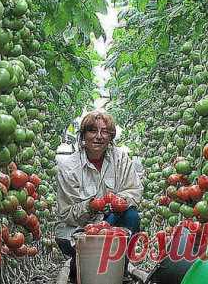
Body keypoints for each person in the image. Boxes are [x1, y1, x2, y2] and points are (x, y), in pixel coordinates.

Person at [55, 111, 143, 283]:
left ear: (111, 137)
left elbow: (134, 190)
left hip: (111, 221)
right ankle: (80, 266)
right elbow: (66, 214)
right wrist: (90, 206)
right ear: (83, 136)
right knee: (80, 272)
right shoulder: (68, 167)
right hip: (78, 230)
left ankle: (120, 269)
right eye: (93, 131)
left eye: (105, 132)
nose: (99, 137)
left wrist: (118, 201)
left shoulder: (120, 159)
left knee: (132, 216)